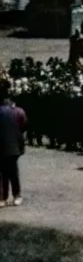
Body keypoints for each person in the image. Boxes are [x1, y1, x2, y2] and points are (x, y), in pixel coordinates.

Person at [0, 80, 26, 208]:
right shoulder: (18, 111)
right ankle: (16, 195)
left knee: (2, 174)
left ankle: (3, 197)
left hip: (3, 145)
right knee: (12, 172)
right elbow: (24, 126)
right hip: (14, 145)